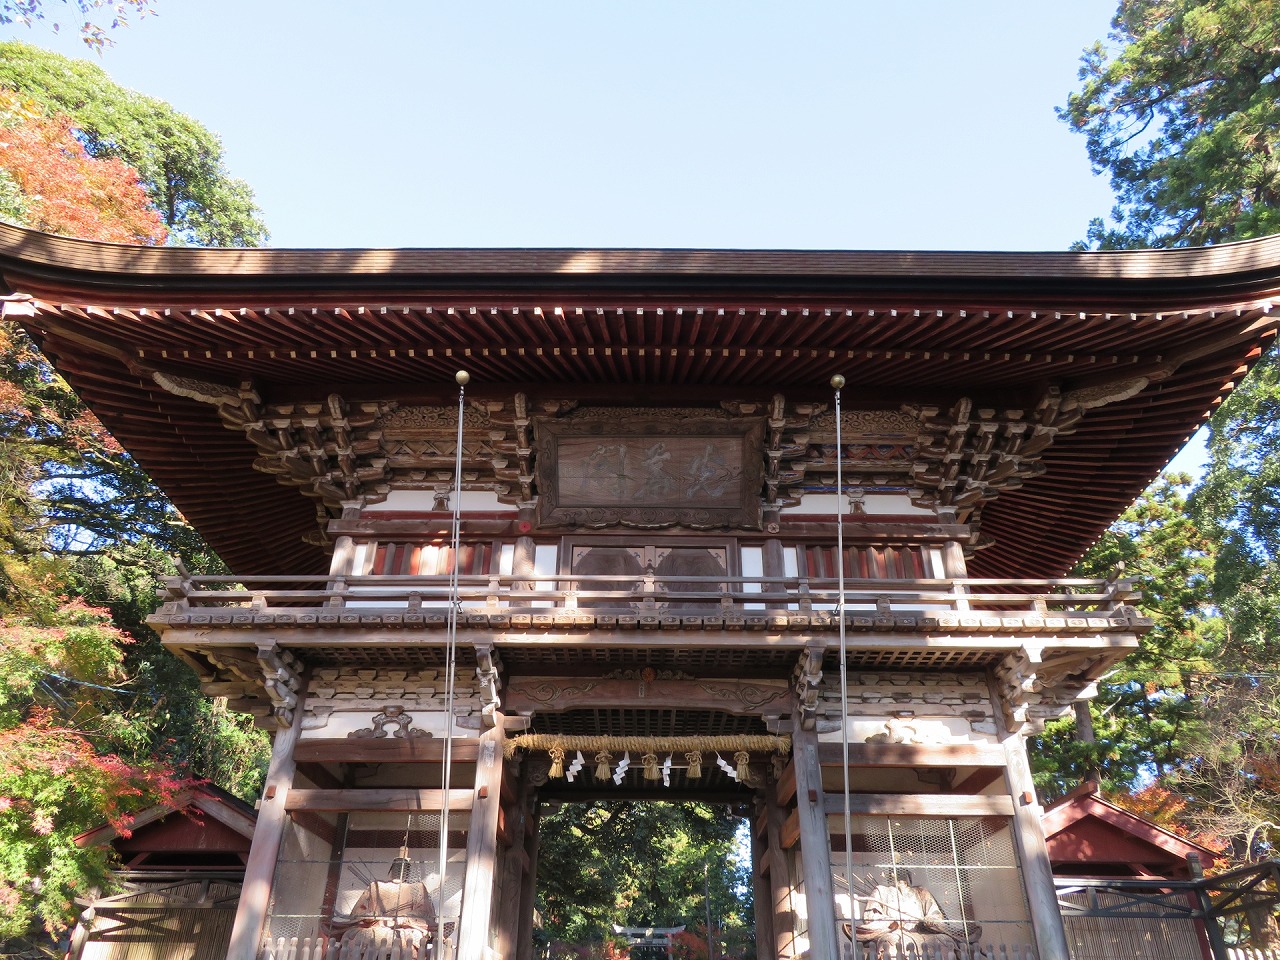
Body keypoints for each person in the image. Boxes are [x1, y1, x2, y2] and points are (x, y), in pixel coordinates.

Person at [332, 852, 438, 958]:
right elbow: (358, 912)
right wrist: (369, 915)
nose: (399, 870)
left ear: (408, 871)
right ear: (391, 869)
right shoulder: (376, 886)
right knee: (352, 935)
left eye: (403, 868)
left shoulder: (416, 888)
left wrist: (406, 918)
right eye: (396, 867)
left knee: (412, 937)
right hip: (376, 926)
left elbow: (424, 912)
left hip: (404, 927)